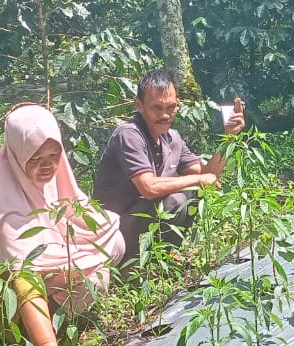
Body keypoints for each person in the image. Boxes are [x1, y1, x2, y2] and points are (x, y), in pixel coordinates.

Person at [0, 104, 125, 346]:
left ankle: (52, 313)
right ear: (17, 153)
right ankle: (30, 329)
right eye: (35, 157)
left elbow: (74, 208)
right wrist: (46, 344)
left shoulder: (40, 173)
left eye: (54, 154)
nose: (48, 165)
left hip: (34, 262)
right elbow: (24, 277)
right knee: (95, 279)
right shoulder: (5, 205)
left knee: (113, 241)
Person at [92, 68, 245, 263]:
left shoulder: (173, 139)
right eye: (157, 108)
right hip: (113, 232)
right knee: (178, 199)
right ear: (139, 105)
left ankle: (160, 259)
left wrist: (230, 137)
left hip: (140, 221)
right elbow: (148, 188)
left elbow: (209, 175)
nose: (165, 115)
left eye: (171, 107)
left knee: (192, 193)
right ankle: (133, 264)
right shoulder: (129, 135)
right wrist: (198, 179)